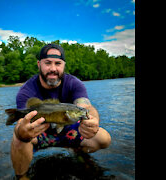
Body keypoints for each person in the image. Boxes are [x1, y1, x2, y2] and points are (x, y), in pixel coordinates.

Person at [10, 44, 111, 179]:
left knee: (103, 138)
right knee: (18, 138)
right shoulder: (26, 90)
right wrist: (22, 132)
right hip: (39, 133)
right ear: (39, 64)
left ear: (64, 65)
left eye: (58, 63)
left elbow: (86, 107)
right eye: (47, 63)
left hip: (68, 131)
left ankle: (78, 151)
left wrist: (93, 121)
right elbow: (21, 123)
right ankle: (21, 176)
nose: (53, 68)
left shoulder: (74, 83)